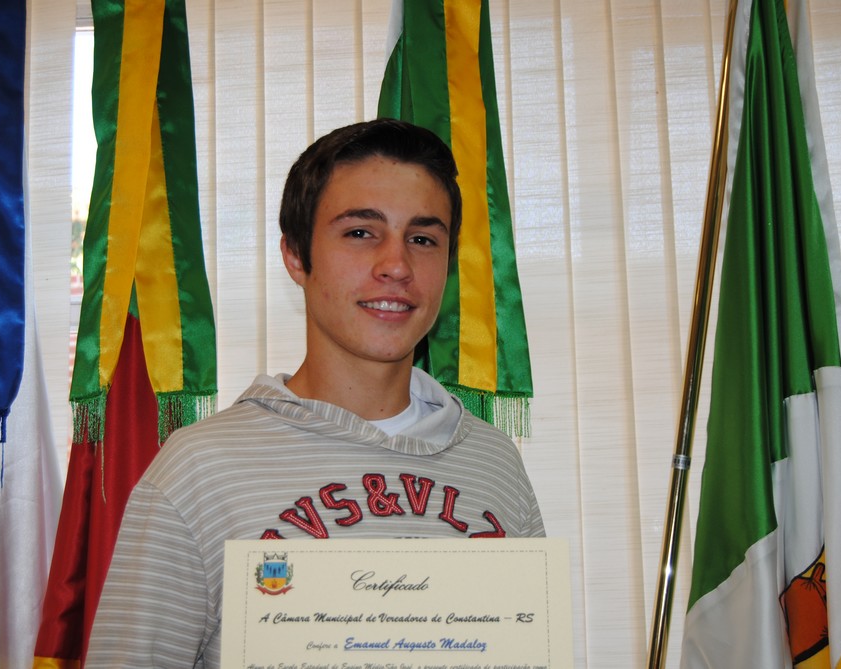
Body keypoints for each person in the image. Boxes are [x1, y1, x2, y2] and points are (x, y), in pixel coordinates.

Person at [85, 118, 544, 667]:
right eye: (360, 233)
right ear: (296, 256)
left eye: (423, 239)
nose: (396, 265)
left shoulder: (495, 462)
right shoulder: (200, 469)